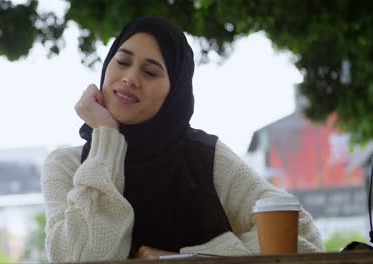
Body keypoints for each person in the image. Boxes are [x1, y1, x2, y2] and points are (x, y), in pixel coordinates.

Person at [41, 16, 323, 262]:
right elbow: (82, 258)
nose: (129, 78)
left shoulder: (205, 159)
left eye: (150, 72)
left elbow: (301, 235)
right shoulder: (67, 166)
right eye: (123, 61)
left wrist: (187, 259)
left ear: (173, 93)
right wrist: (105, 138)